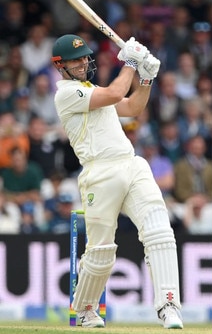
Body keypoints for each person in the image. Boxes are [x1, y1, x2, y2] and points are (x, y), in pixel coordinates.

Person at [50, 34, 183, 329]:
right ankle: (85, 309)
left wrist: (146, 79)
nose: (84, 62)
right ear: (60, 66)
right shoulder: (67, 94)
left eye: (85, 56)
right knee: (101, 251)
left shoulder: (91, 89)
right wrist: (131, 62)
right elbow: (112, 95)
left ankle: (169, 304)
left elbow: (133, 107)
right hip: (99, 173)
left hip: (131, 163)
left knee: (160, 231)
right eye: (76, 59)